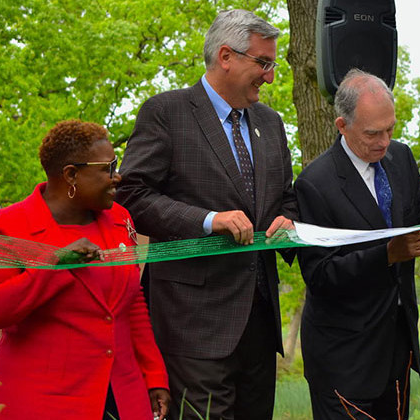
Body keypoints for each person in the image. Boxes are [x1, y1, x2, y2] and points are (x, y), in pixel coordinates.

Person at [114, 9, 297, 419]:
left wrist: (288, 220)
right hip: (191, 325)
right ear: (227, 56)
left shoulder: (271, 123)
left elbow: (287, 197)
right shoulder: (166, 112)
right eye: (263, 63)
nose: (270, 76)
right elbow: (132, 197)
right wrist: (208, 220)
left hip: (259, 324)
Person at [0, 120, 170, 420]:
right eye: (107, 168)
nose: (117, 176)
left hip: (121, 394)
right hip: (41, 401)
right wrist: (53, 267)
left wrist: (154, 374)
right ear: (71, 175)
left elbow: (131, 303)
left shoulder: (120, 219)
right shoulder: (7, 227)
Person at [295, 69, 420, 420]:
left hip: (397, 349)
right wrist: (386, 256)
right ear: (342, 125)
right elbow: (320, 275)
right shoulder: (314, 183)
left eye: (390, 129)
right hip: (343, 357)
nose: (384, 141)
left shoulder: (401, 158)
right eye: (373, 133)